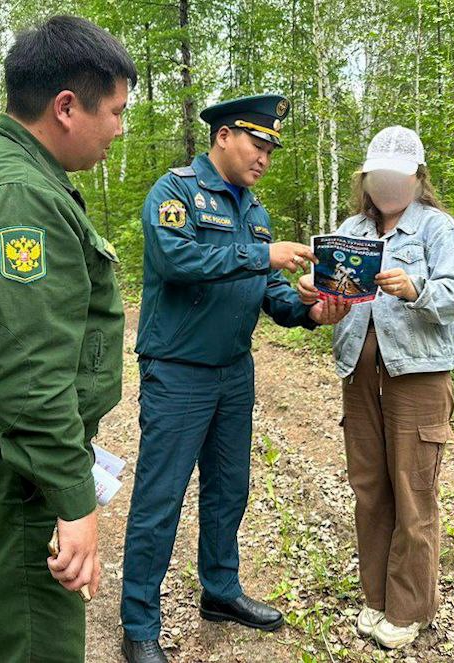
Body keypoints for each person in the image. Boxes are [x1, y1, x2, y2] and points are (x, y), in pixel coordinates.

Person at [0, 16, 136, 662]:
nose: (120, 129)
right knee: (36, 645)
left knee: (9, 631)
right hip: (15, 477)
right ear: (67, 107)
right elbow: (27, 375)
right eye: (117, 111)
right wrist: (72, 498)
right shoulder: (19, 193)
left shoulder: (2, 166)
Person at [120, 94, 343, 663]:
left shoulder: (254, 212)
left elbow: (267, 292)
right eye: (257, 143)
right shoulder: (175, 193)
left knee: (228, 490)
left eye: (272, 147)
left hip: (232, 373)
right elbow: (176, 262)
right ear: (223, 136)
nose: (266, 156)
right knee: (160, 498)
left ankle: (220, 591)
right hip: (177, 371)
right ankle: (139, 623)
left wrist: (310, 310)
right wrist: (261, 257)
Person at [297, 125, 454, 649]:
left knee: (414, 491)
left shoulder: (438, 231)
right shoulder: (352, 227)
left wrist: (417, 288)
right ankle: (376, 598)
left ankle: (409, 607)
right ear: (366, 179)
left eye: (397, 176)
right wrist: (318, 298)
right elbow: (335, 299)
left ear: (417, 178)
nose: (386, 185)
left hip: (417, 375)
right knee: (370, 489)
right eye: (377, 177)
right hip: (359, 372)